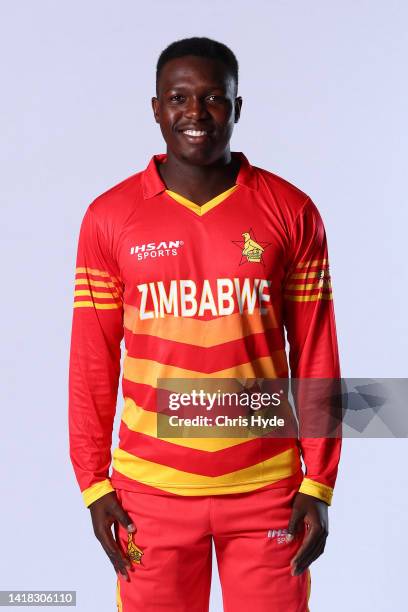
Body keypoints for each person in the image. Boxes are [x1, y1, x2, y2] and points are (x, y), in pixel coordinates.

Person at [68, 36, 341, 612]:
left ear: (238, 108)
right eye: (179, 97)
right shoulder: (110, 217)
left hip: (269, 488)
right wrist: (92, 481)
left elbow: (317, 351)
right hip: (151, 494)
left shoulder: (291, 211)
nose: (196, 113)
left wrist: (319, 482)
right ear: (156, 108)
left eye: (214, 98)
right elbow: (93, 359)